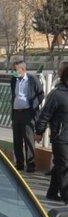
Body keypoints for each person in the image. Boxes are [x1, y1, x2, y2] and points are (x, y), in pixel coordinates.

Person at [35, 61, 68, 204]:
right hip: (60, 137)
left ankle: (52, 192)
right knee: (64, 165)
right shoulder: (56, 94)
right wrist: (39, 131)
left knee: (60, 164)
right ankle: (66, 195)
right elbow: (45, 114)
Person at [10, 60, 44, 172]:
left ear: (22, 69)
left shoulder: (32, 79)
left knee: (28, 139)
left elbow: (41, 94)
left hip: (28, 113)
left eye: (15, 70)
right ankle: (19, 164)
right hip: (16, 113)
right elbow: (14, 95)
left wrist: (33, 106)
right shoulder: (14, 79)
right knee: (17, 140)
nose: (13, 72)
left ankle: (30, 165)